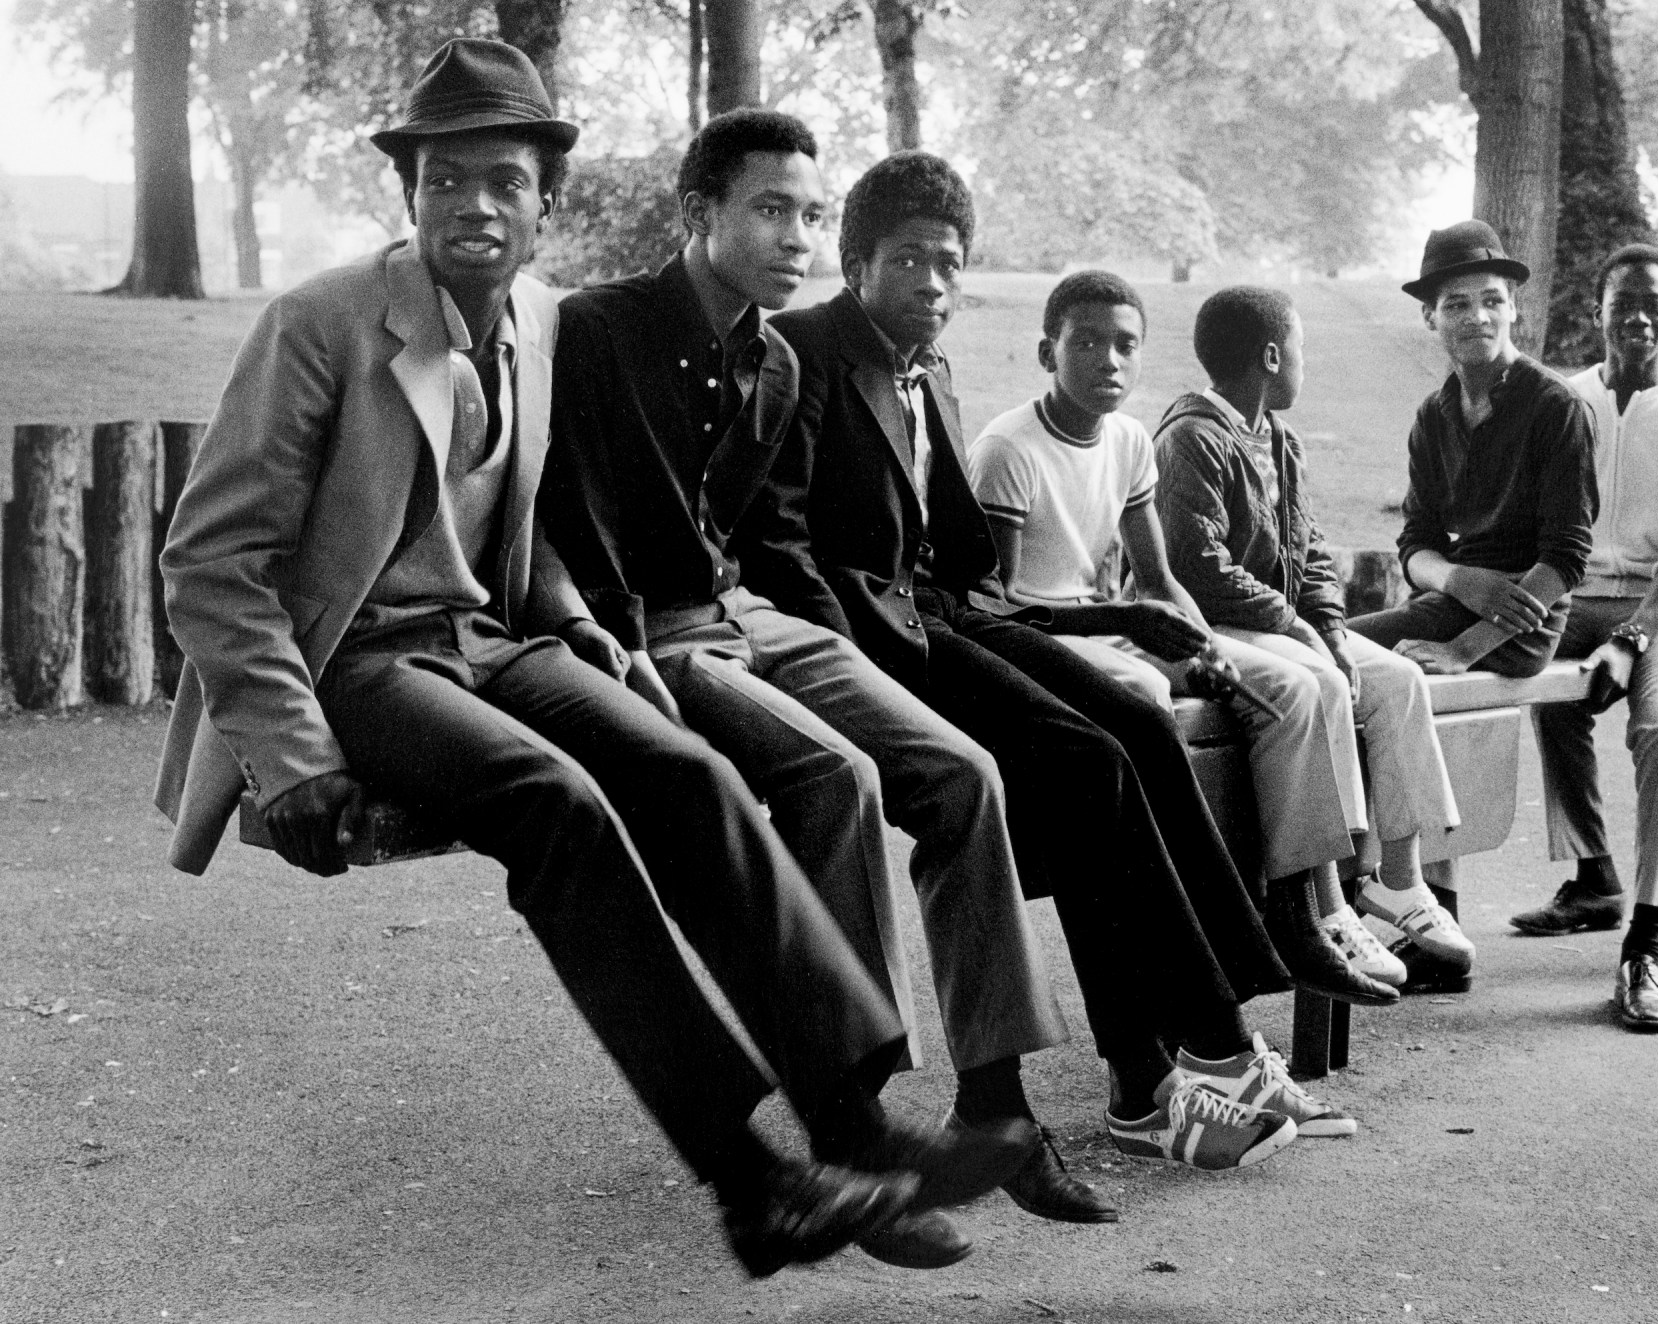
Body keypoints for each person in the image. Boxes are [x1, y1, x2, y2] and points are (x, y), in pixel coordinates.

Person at [151, 41, 1028, 1280]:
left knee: (691, 775)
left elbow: (522, 521)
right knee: (557, 805)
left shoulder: (540, 322)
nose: (474, 207)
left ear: (544, 199)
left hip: (491, 637)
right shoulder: (321, 324)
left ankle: (850, 1120)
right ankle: (749, 1179)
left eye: (503, 182)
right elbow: (210, 560)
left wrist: (576, 625)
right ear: (410, 192)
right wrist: (288, 755)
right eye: (445, 181)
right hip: (358, 658)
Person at [538, 109, 1087, 1260]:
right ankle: (853, 1124)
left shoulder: (776, 361)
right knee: (829, 777)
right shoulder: (598, 330)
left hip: (744, 616)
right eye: (770, 211)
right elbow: (568, 519)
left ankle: (993, 1098)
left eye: (808, 214)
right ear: (697, 216)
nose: (797, 238)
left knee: (957, 769)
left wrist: (810, 632)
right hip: (647, 633)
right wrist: (615, 639)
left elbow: (740, 531)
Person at [763, 151, 1351, 1173]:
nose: (933, 284)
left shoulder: (928, 366)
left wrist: (1082, 620)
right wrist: (872, 657)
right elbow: (783, 549)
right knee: (1080, 765)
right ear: (855, 262)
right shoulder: (804, 352)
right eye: (908, 261)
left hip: (950, 615)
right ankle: (1203, 1050)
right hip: (867, 637)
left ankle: (1198, 1047)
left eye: (948, 264)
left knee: (1137, 733)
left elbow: (956, 545)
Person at [967, 270, 1410, 995]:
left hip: (1114, 623)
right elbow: (998, 602)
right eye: (1085, 343)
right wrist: (1136, 625)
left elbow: (1159, 581)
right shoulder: (1008, 450)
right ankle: (1184, 922)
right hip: (1043, 633)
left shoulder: (1131, 441)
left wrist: (1204, 646)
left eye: (1125, 345)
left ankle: (1299, 912)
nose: (1107, 361)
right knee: (1148, 692)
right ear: (1048, 352)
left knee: (1292, 688)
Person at [1153, 286, 1474, 985]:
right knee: (1324, 683)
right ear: (1272, 355)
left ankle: (1399, 879)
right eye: (1300, 348)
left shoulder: (1280, 439)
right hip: (1223, 624)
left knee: (1396, 679)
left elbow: (1313, 551)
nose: (1306, 362)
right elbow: (1194, 564)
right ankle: (1328, 907)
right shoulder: (1193, 438)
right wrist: (1297, 625)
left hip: (1284, 623)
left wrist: (1327, 626)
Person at [1509, 243, 1658, 1033]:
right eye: (1623, 302)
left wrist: (1633, 638)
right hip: (1569, 592)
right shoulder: (1562, 400)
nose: (1638, 317)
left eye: (1655, 304)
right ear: (1597, 311)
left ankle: (1643, 943)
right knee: (1533, 682)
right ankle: (1591, 876)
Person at [1345, 221, 1597, 683]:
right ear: (1429, 316)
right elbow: (1418, 542)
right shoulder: (1433, 416)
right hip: (1451, 600)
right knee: (1329, 649)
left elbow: (1566, 557)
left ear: (1513, 308)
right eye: (1457, 304)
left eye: (1492, 300)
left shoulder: (1555, 406)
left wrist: (1463, 649)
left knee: (1330, 647)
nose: (1477, 317)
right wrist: (1459, 580)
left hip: (1520, 625)